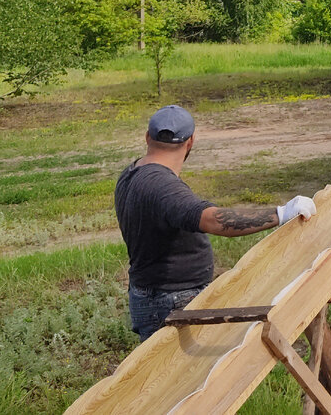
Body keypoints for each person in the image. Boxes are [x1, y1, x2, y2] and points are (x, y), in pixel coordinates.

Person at [114, 105, 317, 341]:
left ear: (148, 137)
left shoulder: (132, 173)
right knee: (185, 376)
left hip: (153, 294)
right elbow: (212, 220)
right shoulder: (161, 186)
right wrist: (280, 213)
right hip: (170, 300)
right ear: (190, 142)